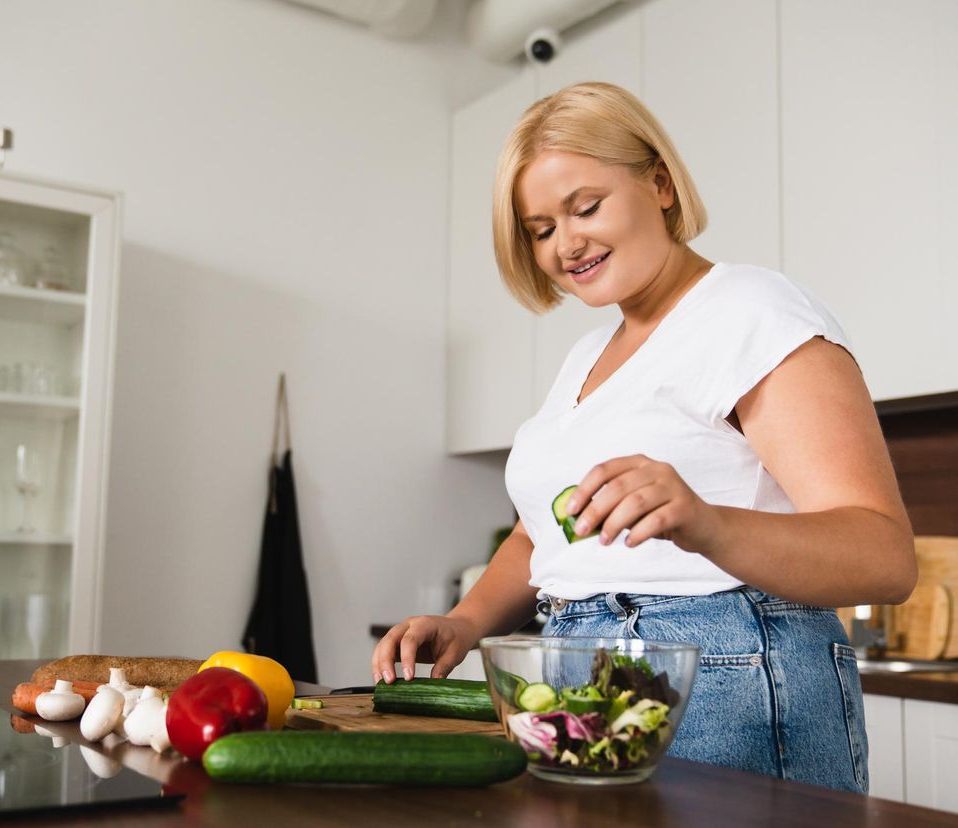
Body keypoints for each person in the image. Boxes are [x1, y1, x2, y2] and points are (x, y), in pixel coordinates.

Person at [372, 81, 916, 793]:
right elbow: (544, 535)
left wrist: (707, 522)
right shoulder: (587, 358)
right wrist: (465, 622)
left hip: (725, 676)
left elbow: (883, 554)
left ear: (659, 183)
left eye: (585, 207)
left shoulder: (751, 312)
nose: (566, 243)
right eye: (540, 229)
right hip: (578, 676)